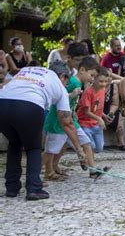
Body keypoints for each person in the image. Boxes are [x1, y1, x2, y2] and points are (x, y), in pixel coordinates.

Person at [0, 61, 85, 200]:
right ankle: (34, 188)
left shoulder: (28, 71)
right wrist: (79, 150)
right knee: (33, 147)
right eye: (67, 81)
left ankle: (12, 187)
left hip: (2, 103)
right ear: (63, 76)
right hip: (29, 105)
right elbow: (67, 122)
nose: (66, 85)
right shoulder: (58, 84)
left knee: (14, 143)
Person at [43, 57, 106, 181]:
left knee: (86, 143)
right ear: (82, 70)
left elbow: (71, 102)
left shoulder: (78, 83)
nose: (92, 79)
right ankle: (42, 171)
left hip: (71, 120)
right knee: (51, 150)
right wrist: (71, 95)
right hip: (59, 121)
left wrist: (73, 111)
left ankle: (93, 171)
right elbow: (58, 96)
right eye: (92, 75)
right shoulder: (72, 81)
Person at [77, 67, 110, 154]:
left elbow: (96, 107)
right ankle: (90, 165)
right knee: (90, 147)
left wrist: (103, 115)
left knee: (99, 148)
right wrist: (99, 119)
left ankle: (88, 162)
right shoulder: (88, 92)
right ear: (93, 79)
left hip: (96, 124)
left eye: (105, 81)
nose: (103, 84)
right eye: (101, 81)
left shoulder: (102, 90)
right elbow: (86, 111)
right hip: (85, 123)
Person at [103, 76, 125, 152]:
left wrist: (110, 114)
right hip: (96, 109)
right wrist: (103, 115)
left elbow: (115, 104)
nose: (109, 78)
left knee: (117, 115)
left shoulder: (113, 86)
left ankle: (121, 142)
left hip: (109, 108)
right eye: (106, 75)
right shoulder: (95, 86)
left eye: (109, 76)